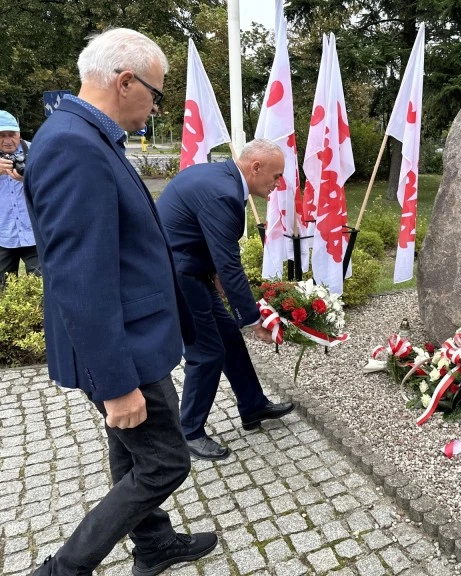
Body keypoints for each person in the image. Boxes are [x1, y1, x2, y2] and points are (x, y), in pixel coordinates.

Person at [24, 28, 217, 576]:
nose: (156, 107)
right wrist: (116, 384)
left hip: (131, 337)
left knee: (130, 451)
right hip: (121, 349)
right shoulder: (72, 145)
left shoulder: (86, 136)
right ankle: (63, 569)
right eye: (156, 93)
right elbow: (79, 278)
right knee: (163, 463)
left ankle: (153, 545)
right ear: (125, 81)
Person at [156, 138, 294, 461]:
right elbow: (229, 264)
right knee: (207, 351)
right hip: (177, 275)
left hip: (189, 267)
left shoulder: (225, 181)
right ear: (255, 167)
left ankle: (252, 405)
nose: (279, 183)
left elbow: (216, 251)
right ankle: (188, 431)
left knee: (228, 337)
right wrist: (254, 318)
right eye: (276, 176)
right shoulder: (225, 193)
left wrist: (227, 291)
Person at [0, 110, 40, 287]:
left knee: (42, 287)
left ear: (19, 134)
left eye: (12, 135)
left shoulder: (36, 151)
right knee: (4, 290)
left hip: (34, 232)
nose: (8, 141)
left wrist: (27, 178)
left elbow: (56, 184)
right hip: (3, 235)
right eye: (1, 135)